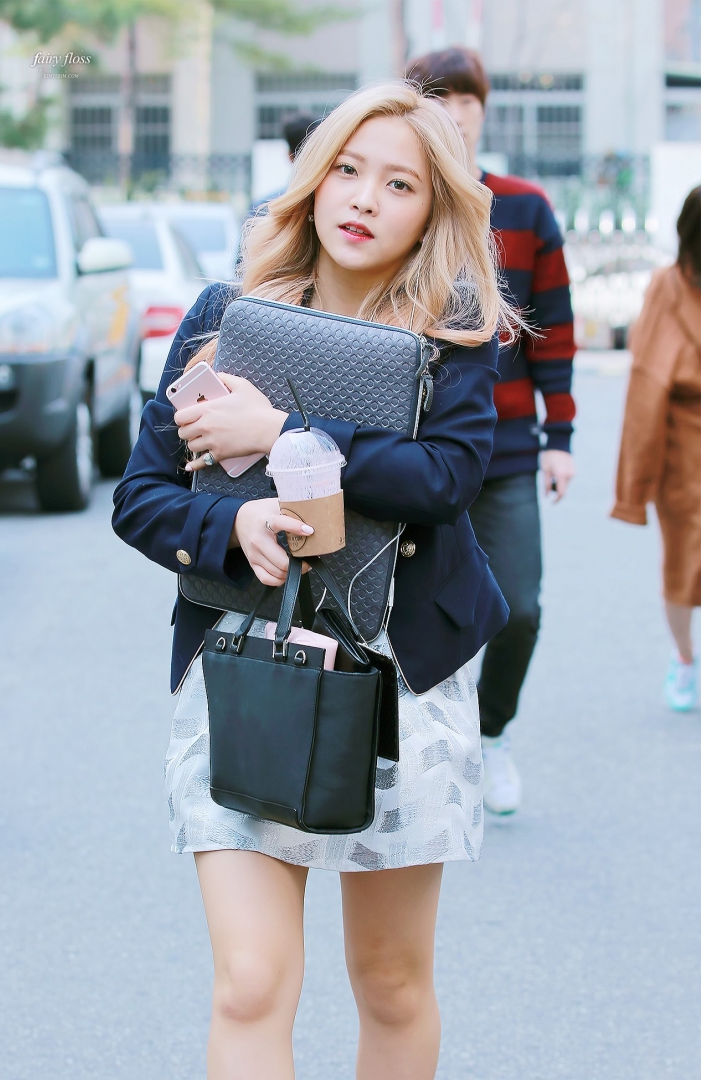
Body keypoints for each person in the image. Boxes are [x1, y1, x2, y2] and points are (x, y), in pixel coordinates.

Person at [112, 81, 515, 1079]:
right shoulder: (226, 316)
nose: (365, 198)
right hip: (245, 664)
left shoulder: (453, 334)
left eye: (399, 184)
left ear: (433, 208)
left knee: (391, 980)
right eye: (347, 169)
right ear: (312, 179)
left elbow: (448, 479)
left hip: (401, 677)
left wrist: (284, 434)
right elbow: (141, 497)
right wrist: (232, 520)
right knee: (250, 983)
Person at [406, 47, 577, 814]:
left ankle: (492, 731)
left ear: (483, 111)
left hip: (505, 448)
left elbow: (555, 331)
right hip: (412, 448)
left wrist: (561, 437)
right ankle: (418, 749)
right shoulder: (404, 201)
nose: (453, 113)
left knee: (519, 607)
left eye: (465, 100)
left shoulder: (526, 209)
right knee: (407, 609)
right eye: (435, 98)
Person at [611, 186, 701, 711]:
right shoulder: (669, 285)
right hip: (686, 452)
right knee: (685, 564)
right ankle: (684, 656)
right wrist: (635, 486)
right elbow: (648, 386)